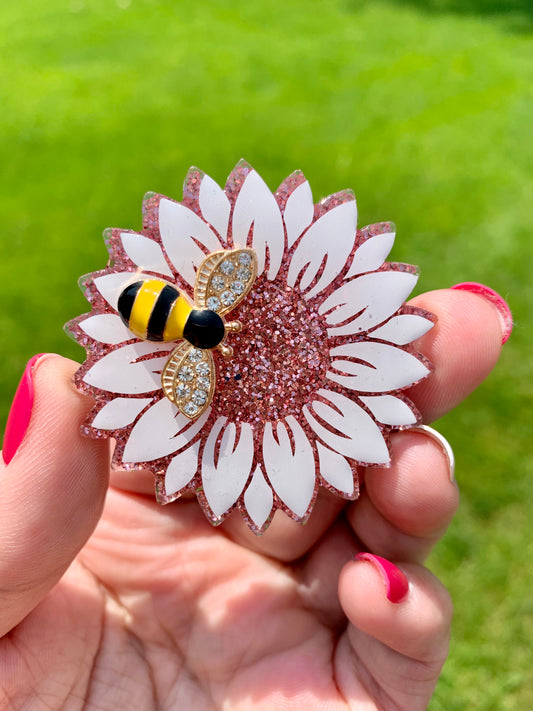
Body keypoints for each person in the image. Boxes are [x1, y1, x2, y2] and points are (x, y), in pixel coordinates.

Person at [0, 284, 512, 710]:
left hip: (158, 313)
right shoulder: (200, 346)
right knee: (410, 477)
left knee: (411, 477)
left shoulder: (202, 332)